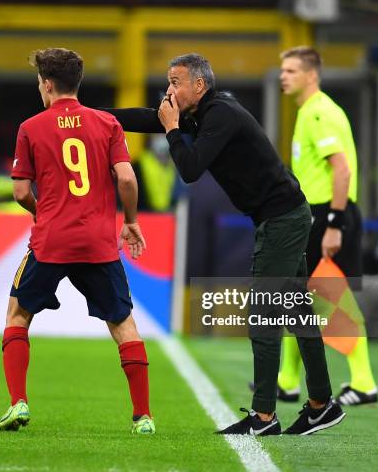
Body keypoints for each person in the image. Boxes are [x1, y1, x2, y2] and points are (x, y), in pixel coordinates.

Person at [102, 53, 344, 435]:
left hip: (282, 219)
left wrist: (170, 130)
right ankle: (321, 405)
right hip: (283, 215)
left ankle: (264, 417)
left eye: (175, 82)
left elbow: (191, 168)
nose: (169, 90)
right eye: (168, 82)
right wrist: (88, 113)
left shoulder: (220, 115)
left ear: (199, 86)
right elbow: (146, 117)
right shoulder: (200, 113)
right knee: (296, 312)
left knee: (264, 316)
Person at [0, 48, 154, 435]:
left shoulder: (31, 127)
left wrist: (41, 212)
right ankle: (143, 416)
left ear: (47, 84)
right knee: (123, 324)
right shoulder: (107, 123)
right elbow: (128, 179)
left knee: (18, 315)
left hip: (51, 241)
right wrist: (130, 221)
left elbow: (19, 192)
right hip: (99, 243)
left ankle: (18, 403)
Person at [279, 46, 378, 406]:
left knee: (335, 302)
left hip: (328, 215)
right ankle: (287, 381)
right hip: (317, 215)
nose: (283, 76)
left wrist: (333, 223)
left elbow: (342, 169)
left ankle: (365, 383)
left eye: (291, 70)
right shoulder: (310, 112)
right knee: (298, 297)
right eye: (283, 70)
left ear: (311, 75)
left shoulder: (319, 112)